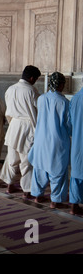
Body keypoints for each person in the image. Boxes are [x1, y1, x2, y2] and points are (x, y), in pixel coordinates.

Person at [29, 72, 71, 209]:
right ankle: (55, 200)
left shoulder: (41, 98)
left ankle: (37, 195)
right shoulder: (64, 102)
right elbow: (69, 124)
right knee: (58, 171)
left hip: (41, 138)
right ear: (61, 85)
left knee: (40, 168)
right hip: (57, 141)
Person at [0, 66, 41, 198]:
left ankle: (9, 185)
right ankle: (27, 190)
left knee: (12, 158)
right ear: (32, 78)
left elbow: (8, 111)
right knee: (26, 160)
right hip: (28, 127)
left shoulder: (10, 89)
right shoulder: (32, 91)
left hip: (14, 126)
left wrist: (12, 123)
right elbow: (39, 111)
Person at [69, 79, 83, 215]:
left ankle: (74, 205)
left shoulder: (75, 98)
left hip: (78, 141)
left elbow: (70, 122)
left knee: (77, 173)